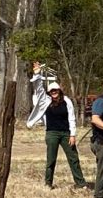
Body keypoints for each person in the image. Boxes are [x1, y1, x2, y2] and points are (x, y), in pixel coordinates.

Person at [26, 61, 87, 190]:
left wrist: (73, 135)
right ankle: (48, 183)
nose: (54, 92)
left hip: (66, 133)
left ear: (59, 91)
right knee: (51, 160)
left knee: (73, 158)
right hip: (52, 133)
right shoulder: (45, 101)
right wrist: (37, 73)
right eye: (51, 91)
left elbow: (71, 118)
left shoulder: (67, 101)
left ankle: (80, 183)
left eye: (56, 90)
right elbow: (38, 88)